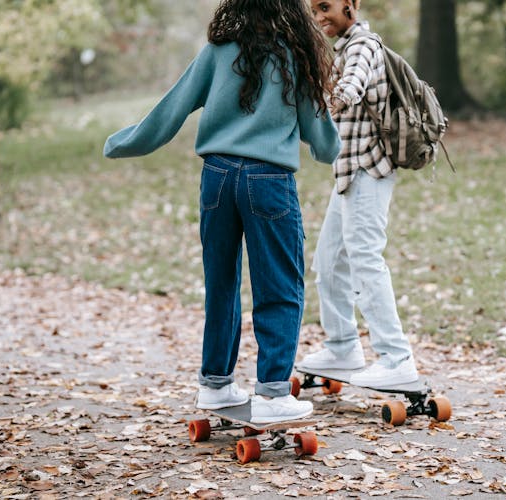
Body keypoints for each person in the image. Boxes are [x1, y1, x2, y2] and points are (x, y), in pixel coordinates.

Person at [103, 0, 342, 423]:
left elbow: (170, 110)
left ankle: (215, 384)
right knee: (281, 286)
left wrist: (123, 142)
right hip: (268, 182)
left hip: (217, 178)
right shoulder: (292, 54)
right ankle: (271, 393)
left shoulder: (217, 51)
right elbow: (323, 144)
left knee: (222, 282)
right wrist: (331, 144)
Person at [300, 0, 419, 386]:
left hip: (369, 170)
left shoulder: (363, 45)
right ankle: (342, 347)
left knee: (364, 258)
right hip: (348, 174)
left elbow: (351, 87)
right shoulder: (344, 47)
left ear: (351, 3)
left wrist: (321, 103)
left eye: (325, 6)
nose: (319, 17)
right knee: (329, 263)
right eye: (313, 10)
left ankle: (396, 358)